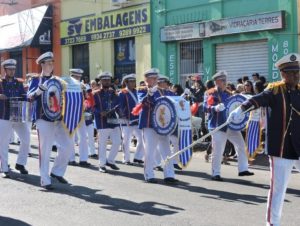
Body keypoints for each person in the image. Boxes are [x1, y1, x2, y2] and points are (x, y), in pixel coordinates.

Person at [228, 53, 300, 226]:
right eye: (292, 73)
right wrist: (241, 109)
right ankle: (273, 223)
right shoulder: (275, 90)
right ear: (283, 74)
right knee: (278, 190)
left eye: (298, 72)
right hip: (281, 149)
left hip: (299, 146)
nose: (297, 76)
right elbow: (258, 99)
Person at [27, 52, 74, 190]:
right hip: (43, 118)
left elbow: (66, 97)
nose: (51, 65)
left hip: (59, 118)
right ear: (42, 64)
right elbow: (29, 97)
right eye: (48, 63)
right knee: (45, 150)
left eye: (52, 63)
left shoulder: (59, 81)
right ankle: (45, 180)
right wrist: (38, 91)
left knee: (67, 146)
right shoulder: (36, 80)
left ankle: (56, 171)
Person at [203, 70, 254, 181]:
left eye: (225, 80)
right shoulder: (210, 93)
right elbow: (205, 107)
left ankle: (243, 169)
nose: (225, 82)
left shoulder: (229, 93)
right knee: (218, 150)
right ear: (217, 81)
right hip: (218, 125)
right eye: (223, 80)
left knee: (241, 144)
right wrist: (214, 108)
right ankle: (215, 173)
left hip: (230, 125)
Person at [137, 69, 177, 184]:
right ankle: (149, 174)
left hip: (162, 125)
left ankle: (169, 174)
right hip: (149, 124)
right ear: (147, 79)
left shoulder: (162, 91)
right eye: (152, 78)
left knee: (166, 150)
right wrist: (149, 94)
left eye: (156, 78)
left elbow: (172, 100)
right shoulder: (142, 90)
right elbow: (142, 103)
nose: (155, 80)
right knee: (149, 150)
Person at [0, 59, 30, 178]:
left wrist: (28, 97)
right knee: (3, 143)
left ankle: (20, 163)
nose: (12, 71)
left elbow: (24, 95)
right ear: (5, 70)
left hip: (18, 115)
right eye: (10, 69)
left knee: (26, 139)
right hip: (4, 115)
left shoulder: (19, 82)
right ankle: (4, 168)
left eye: (13, 69)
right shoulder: (0, 82)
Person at [93, 71, 121, 173]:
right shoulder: (95, 94)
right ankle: (102, 164)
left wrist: (122, 115)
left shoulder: (114, 93)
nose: (106, 81)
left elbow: (118, 106)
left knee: (118, 142)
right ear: (100, 81)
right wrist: (99, 112)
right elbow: (90, 106)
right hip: (102, 121)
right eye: (104, 80)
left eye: (108, 80)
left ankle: (110, 160)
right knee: (103, 144)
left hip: (113, 120)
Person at [118, 73, 144, 165]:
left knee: (142, 139)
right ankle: (126, 159)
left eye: (134, 81)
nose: (133, 83)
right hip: (127, 121)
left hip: (137, 120)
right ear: (126, 82)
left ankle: (138, 157)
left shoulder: (137, 92)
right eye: (131, 81)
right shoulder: (122, 93)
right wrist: (123, 117)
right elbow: (120, 107)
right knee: (126, 140)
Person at [68, 68, 91, 167]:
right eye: (76, 76)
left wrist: (86, 92)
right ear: (71, 76)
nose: (78, 78)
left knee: (83, 137)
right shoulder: (67, 85)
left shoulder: (82, 86)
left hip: (81, 114)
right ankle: (71, 159)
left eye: (79, 77)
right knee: (71, 137)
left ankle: (83, 159)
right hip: (70, 114)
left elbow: (87, 99)